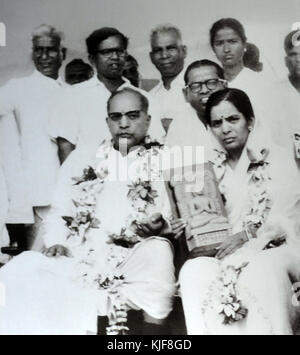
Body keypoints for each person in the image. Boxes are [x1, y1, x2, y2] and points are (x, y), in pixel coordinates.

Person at [0, 88, 186, 335]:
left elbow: (176, 212)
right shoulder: (84, 156)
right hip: (83, 253)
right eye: (116, 117)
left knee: (158, 252)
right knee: (22, 267)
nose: (124, 124)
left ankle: (154, 336)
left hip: (137, 253)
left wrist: (160, 226)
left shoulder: (167, 157)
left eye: (132, 115)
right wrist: (56, 242)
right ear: (107, 121)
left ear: (148, 120)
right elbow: (59, 209)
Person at [179, 88, 300, 335]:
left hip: (277, 248)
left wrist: (247, 235)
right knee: (193, 271)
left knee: (261, 267)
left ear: (250, 121)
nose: (225, 129)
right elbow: (202, 217)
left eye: (233, 119)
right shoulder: (205, 168)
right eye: (216, 123)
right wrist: (188, 227)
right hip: (223, 250)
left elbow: (286, 216)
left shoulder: (278, 157)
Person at [50, 27, 163, 164]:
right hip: (89, 180)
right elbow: (65, 147)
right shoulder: (73, 96)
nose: (115, 57)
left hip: (134, 178)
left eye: (119, 51)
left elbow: (156, 144)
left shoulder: (144, 98)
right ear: (92, 59)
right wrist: (76, 183)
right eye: (106, 52)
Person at [0, 24, 66, 249]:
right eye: (39, 50)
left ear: (62, 53)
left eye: (51, 50)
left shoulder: (69, 91)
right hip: (37, 196)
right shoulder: (18, 87)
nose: (44, 56)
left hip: (69, 191)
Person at [209, 18, 290, 148]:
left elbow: (279, 132)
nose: (226, 49)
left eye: (233, 41)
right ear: (213, 47)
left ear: (244, 44)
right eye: (219, 43)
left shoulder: (263, 85)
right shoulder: (211, 86)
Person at [166, 60, 227, 154]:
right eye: (195, 86)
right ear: (186, 94)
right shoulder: (179, 123)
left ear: (225, 86)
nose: (204, 90)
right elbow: (172, 165)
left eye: (211, 83)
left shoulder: (240, 114)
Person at [149, 24, 188, 135]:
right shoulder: (149, 97)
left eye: (171, 48)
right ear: (151, 57)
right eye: (158, 50)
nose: (164, 55)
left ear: (184, 51)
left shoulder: (198, 89)